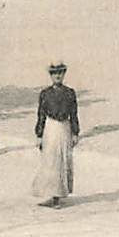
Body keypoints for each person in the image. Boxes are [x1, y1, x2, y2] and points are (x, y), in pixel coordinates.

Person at [32, 61, 79, 208]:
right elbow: (41, 115)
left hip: (64, 128)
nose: (57, 76)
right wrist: (39, 135)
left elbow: (74, 114)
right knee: (50, 161)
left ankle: (58, 197)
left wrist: (75, 133)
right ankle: (51, 195)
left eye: (60, 73)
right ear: (50, 76)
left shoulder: (70, 93)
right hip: (50, 128)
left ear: (64, 74)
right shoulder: (45, 94)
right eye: (54, 73)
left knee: (62, 160)